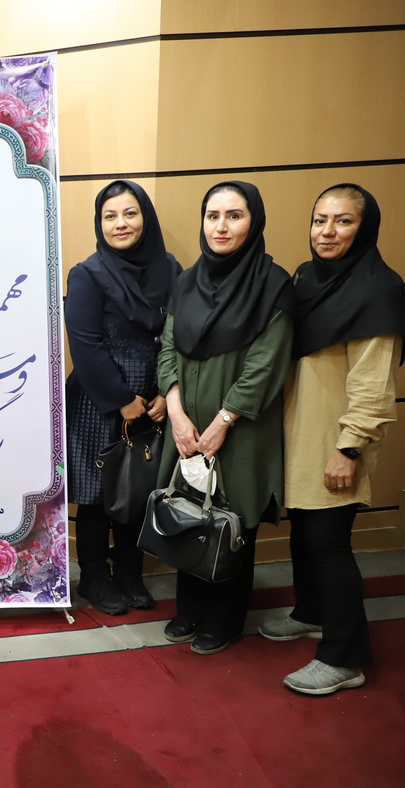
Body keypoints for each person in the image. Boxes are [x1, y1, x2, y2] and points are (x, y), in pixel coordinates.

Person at [260, 184, 405, 694]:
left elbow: (373, 384)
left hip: (336, 439)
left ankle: (345, 657)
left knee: (328, 543)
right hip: (299, 432)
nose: (327, 232)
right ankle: (312, 612)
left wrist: (349, 449)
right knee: (304, 532)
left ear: (365, 228)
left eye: (343, 221)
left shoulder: (379, 290)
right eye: (320, 220)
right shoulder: (307, 278)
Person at [156, 181, 295, 655]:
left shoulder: (274, 285)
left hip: (240, 428)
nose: (221, 226)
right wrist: (177, 413)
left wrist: (222, 422)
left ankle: (226, 618)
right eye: (212, 215)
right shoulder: (186, 281)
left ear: (253, 222)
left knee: (232, 521)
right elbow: (168, 347)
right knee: (189, 512)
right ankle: (191, 608)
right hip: (187, 425)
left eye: (234, 216)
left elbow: (264, 365)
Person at [65, 180, 180, 615]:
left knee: (140, 488)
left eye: (130, 213)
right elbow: (85, 346)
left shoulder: (170, 269)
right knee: (98, 493)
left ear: (145, 217)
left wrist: (166, 393)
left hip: (155, 395)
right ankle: (94, 578)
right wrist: (121, 399)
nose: (120, 224)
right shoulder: (88, 274)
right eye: (109, 216)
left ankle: (131, 574)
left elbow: (180, 335)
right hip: (100, 398)